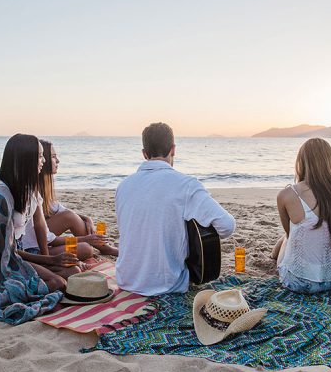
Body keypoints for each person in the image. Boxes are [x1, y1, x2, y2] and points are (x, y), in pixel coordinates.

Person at [0, 134, 79, 325]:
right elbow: (3, 251)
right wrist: (50, 260)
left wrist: (48, 259)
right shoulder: (1, 197)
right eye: (40, 156)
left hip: (19, 253)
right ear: (26, 159)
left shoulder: (29, 189)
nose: (44, 161)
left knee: (73, 271)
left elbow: (40, 225)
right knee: (58, 283)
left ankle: (32, 279)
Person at [115, 122, 235, 295]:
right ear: (173, 149)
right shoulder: (186, 185)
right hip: (167, 285)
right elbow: (227, 226)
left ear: (144, 153)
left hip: (126, 281)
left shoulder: (123, 186)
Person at [271, 138, 331, 294]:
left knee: (288, 237)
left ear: (301, 162)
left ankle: (273, 255)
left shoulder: (287, 194)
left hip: (300, 283)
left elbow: (290, 235)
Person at [32, 139, 118, 257]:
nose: (58, 160)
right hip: (34, 247)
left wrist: (87, 218)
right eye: (53, 156)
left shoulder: (44, 188)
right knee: (85, 248)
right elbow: (50, 236)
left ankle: (104, 247)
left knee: (85, 248)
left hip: (42, 242)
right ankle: (104, 248)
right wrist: (85, 239)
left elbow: (61, 210)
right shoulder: (33, 191)